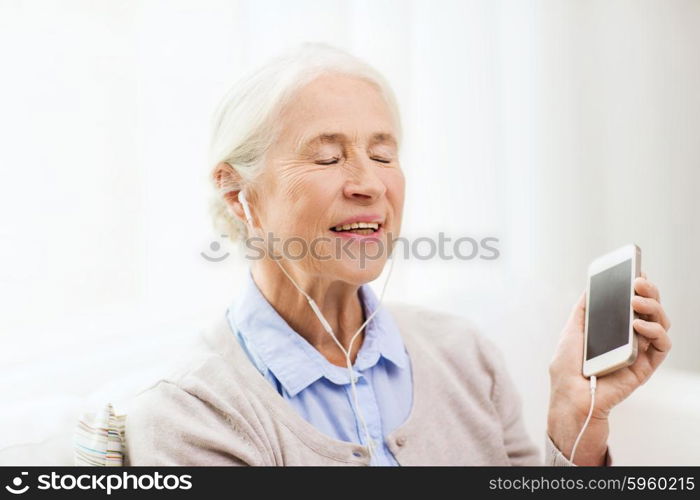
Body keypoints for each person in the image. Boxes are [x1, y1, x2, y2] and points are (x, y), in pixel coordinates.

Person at [124, 43, 671, 466]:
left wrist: (575, 424)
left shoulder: (465, 357)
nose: (369, 183)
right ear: (237, 194)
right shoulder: (189, 416)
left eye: (383, 154)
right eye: (328, 156)